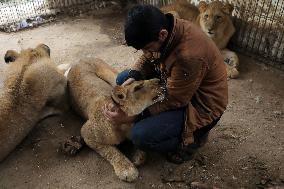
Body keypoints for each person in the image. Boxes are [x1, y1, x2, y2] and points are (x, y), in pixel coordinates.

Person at [103, 5, 228, 164]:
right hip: (179, 83)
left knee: (139, 135)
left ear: (162, 35)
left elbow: (175, 100)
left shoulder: (189, 56)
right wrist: (135, 75)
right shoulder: (167, 26)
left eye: (146, 47)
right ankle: (162, 123)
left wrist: (131, 116)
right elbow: (149, 55)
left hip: (200, 105)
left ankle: (193, 139)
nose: (145, 52)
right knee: (124, 78)